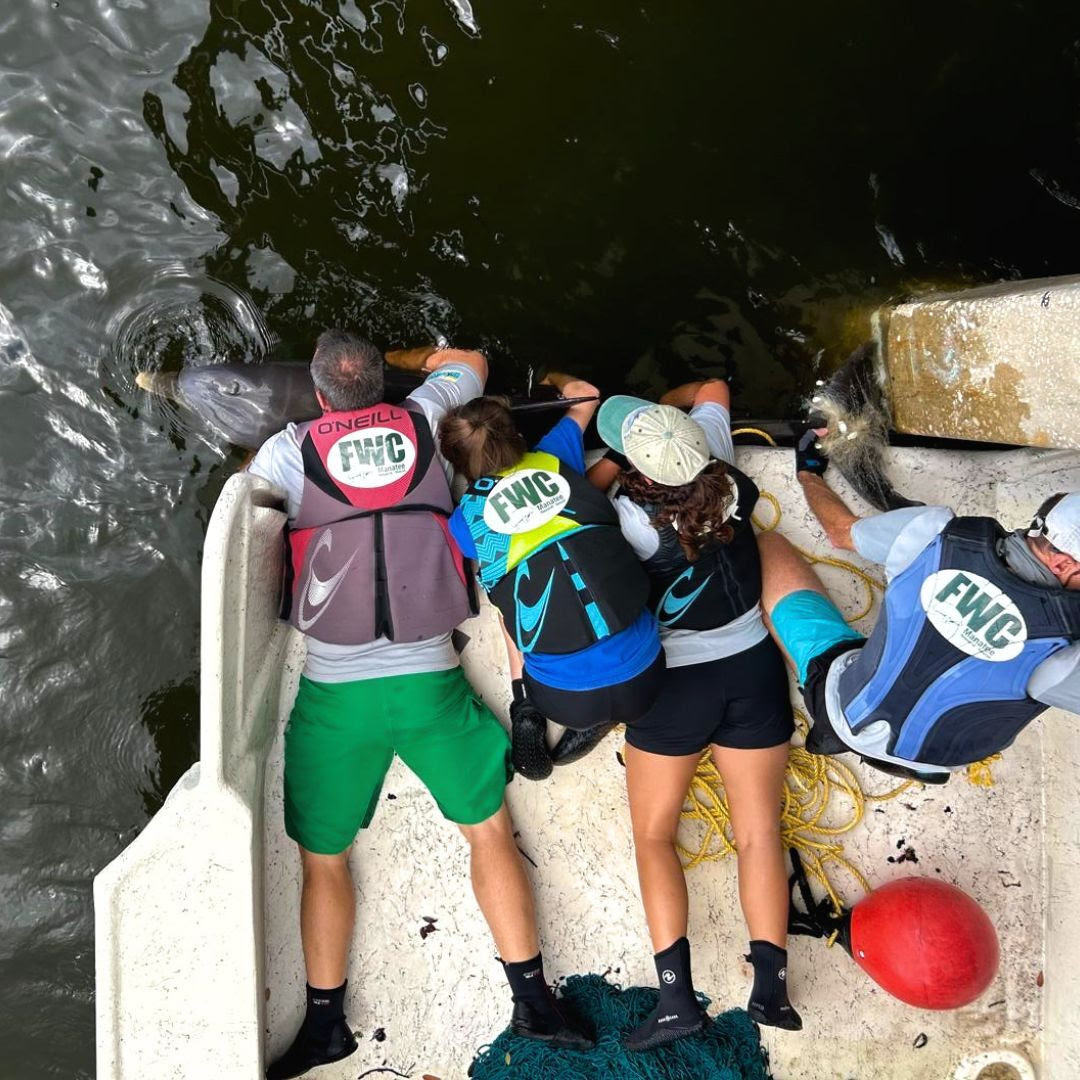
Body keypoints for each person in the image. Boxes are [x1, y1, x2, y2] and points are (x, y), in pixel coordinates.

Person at [248, 331, 592, 1080]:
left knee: (325, 862)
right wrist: (423, 366)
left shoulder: (287, 449)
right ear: (385, 387)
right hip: (433, 678)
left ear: (316, 398)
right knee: (489, 833)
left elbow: (251, 488)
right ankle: (534, 1003)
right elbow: (471, 363)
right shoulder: (431, 418)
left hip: (336, 696)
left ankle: (325, 1026)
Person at [587, 378, 801, 1049]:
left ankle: (677, 1001)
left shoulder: (622, 515)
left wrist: (618, 451)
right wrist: (669, 418)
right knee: (759, 833)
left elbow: (578, 502)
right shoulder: (717, 460)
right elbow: (714, 384)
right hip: (753, 673)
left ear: (640, 468)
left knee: (655, 835)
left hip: (677, 686)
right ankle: (771, 989)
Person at [757, 428, 1080, 782]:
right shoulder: (1065, 655)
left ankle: (808, 672)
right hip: (933, 762)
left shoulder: (932, 531)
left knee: (769, 548)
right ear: (1066, 564)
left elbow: (840, 532)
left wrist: (808, 472)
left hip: (847, 713)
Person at [437, 373, 663, 781]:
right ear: (515, 435)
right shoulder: (555, 456)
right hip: (648, 677)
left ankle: (525, 707)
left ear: (456, 461)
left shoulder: (464, 523)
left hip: (566, 702)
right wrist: (550, 378)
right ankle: (610, 712)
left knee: (506, 596)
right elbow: (586, 393)